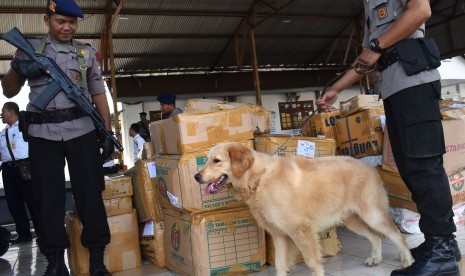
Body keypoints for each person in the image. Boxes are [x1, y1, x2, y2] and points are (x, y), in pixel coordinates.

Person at [316, 0, 459, 275]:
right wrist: (337, 88)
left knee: (424, 166)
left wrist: (377, 47)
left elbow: (420, 11)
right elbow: (369, 56)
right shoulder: (369, 5)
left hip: (414, 83)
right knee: (410, 168)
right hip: (394, 88)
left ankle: (441, 252)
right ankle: (441, 243)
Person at [1, 1, 113, 275]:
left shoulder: (86, 53)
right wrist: (19, 67)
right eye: (60, 21)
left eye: (72, 23)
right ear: (47, 19)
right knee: (47, 198)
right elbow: (9, 91)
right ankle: (54, 262)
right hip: (43, 135)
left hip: (82, 131)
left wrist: (108, 131)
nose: (67, 27)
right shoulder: (29, 50)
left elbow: (99, 93)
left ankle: (97, 259)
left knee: (90, 195)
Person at [0, 102, 39, 245]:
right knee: (14, 204)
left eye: (3, 111)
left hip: (24, 167)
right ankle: (24, 234)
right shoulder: (3, 133)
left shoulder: (24, 128)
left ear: (11, 111)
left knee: (32, 202)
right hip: (8, 170)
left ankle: (42, 233)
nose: (1, 114)